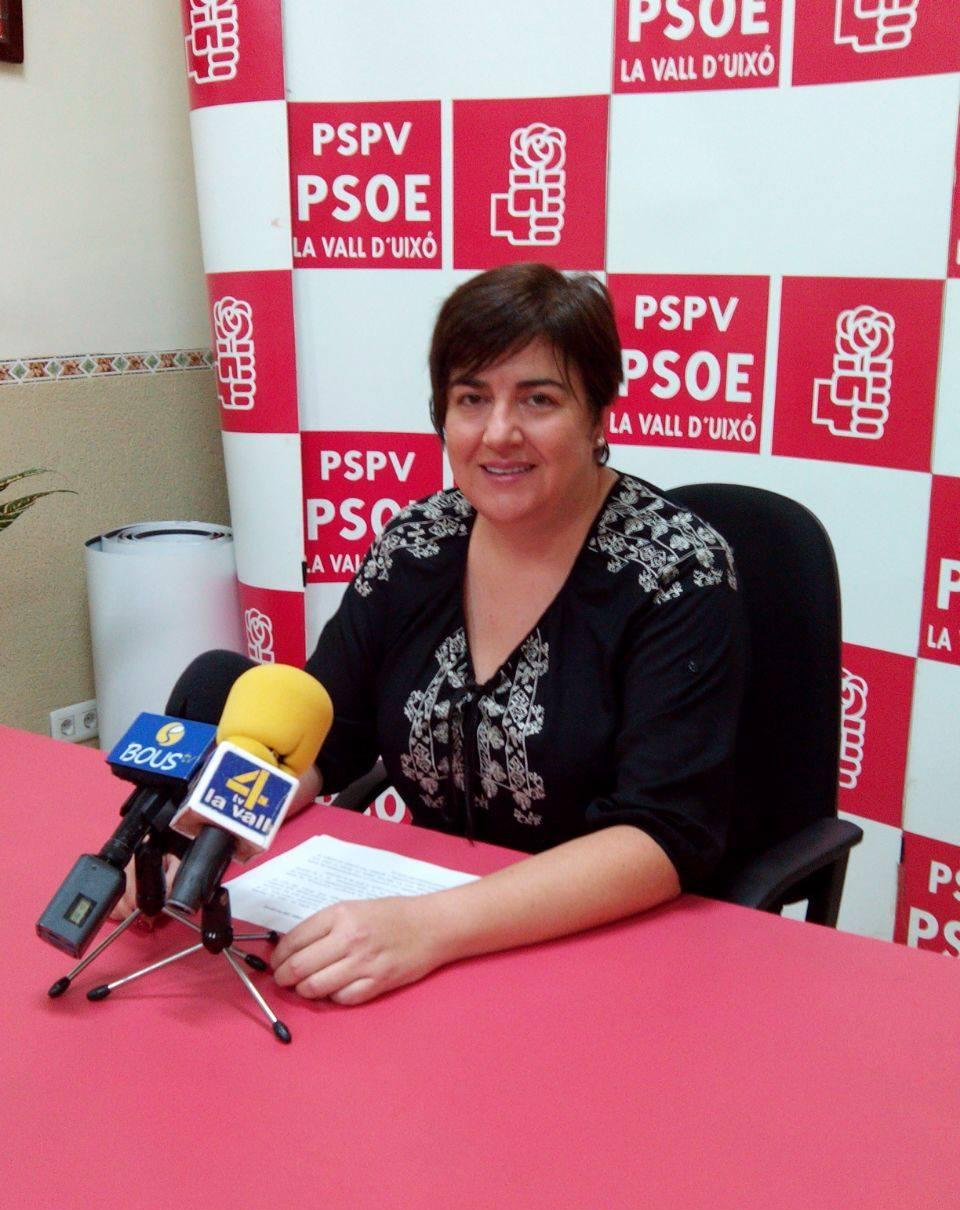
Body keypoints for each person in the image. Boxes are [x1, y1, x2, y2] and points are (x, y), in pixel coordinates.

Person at [270, 263, 747, 1006]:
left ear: (599, 415)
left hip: (612, 950)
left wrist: (428, 928)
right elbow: (321, 732)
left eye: (538, 399)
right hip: (422, 934)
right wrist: (214, 825)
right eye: (471, 399)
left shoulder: (678, 570)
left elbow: (662, 835)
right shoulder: (419, 542)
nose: (499, 432)